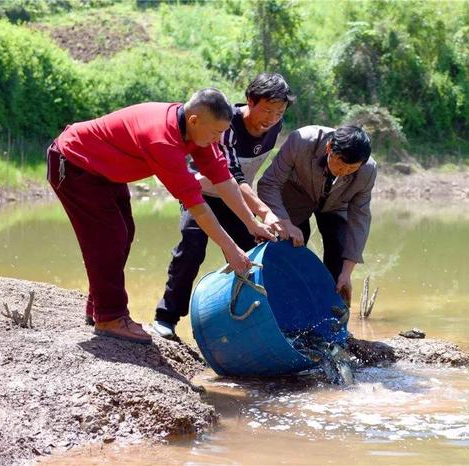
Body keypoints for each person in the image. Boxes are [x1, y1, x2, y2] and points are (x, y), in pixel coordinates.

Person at [47, 88, 275, 344]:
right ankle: (110, 317)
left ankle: (99, 305)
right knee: (109, 238)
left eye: (222, 132)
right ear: (194, 120)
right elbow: (197, 206)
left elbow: (224, 179)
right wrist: (231, 249)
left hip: (104, 171)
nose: (219, 139)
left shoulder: (196, 132)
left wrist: (252, 223)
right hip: (75, 163)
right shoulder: (162, 140)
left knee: (123, 234)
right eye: (216, 132)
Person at [153, 73, 294, 339]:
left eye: (279, 112)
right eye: (267, 110)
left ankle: (264, 320)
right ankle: (166, 318)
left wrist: (257, 217)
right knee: (191, 249)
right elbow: (232, 176)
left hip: (236, 202)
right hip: (202, 194)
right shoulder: (226, 124)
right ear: (250, 101)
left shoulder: (274, 126)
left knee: (259, 253)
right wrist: (263, 212)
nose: (272, 119)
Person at [257, 125, 375, 306]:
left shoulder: (368, 170)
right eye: (340, 165)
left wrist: (347, 272)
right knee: (290, 249)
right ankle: (285, 307)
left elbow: (360, 218)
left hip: (336, 205)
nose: (343, 172)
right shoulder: (301, 140)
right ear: (329, 148)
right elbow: (269, 184)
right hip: (295, 198)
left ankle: (331, 314)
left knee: (338, 253)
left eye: (351, 169)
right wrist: (285, 223)